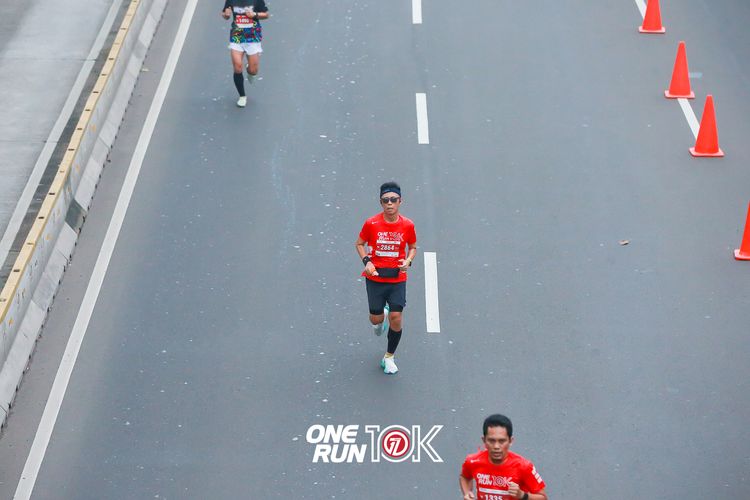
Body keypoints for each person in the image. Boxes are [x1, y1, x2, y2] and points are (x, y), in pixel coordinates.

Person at [355, 182, 417, 374]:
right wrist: (367, 262)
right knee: (376, 320)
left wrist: (408, 261)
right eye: (385, 200)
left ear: (400, 201)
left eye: (393, 200)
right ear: (381, 202)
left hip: (397, 279)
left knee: (396, 318)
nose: (389, 203)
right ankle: (380, 316)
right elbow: (359, 243)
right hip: (375, 278)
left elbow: (413, 247)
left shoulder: (408, 225)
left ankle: (389, 357)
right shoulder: (371, 223)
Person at [460, 414, 547, 500]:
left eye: (502, 441)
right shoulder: (473, 461)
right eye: (491, 441)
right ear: (484, 440)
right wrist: (467, 493)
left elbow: (543, 497)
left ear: (510, 441)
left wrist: (523, 495)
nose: (496, 446)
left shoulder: (524, 466)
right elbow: (464, 477)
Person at [221, 0, 269, 108]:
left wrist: (254, 14)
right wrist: (226, 14)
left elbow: (266, 14)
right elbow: (225, 13)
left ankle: (250, 70)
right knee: (237, 66)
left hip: (252, 37)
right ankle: (242, 96)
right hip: (237, 36)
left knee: (253, 70)